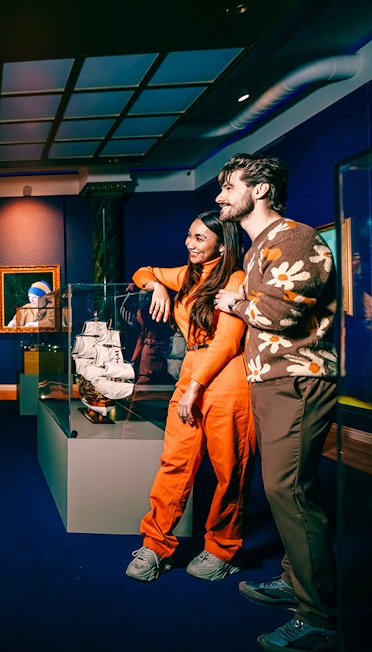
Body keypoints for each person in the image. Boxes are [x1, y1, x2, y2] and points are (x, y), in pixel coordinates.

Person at [213, 153, 339, 652]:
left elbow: (280, 312)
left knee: (289, 490)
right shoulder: (261, 244)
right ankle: (294, 580)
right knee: (286, 488)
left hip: (299, 378)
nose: (220, 196)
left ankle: (317, 617)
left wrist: (234, 302)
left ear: (260, 190)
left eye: (229, 186)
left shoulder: (295, 237)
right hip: (273, 380)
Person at [125, 211, 255, 584]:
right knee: (175, 462)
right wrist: (158, 287)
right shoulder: (187, 274)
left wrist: (196, 387)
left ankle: (222, 548)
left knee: (230, 470)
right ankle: (156, 543)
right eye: (189, 235)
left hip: (227, 376)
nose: (190, 243)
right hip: (193, 369)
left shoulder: (236, 278)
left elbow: (229, 341)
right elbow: (142, 271)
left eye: (200, 238)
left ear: (222, 243)